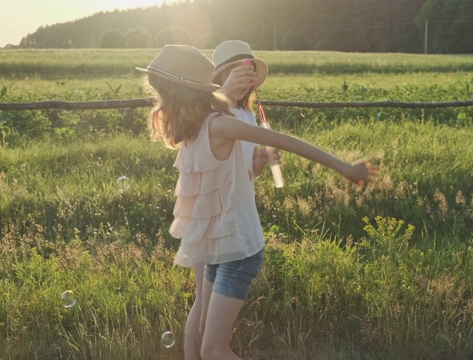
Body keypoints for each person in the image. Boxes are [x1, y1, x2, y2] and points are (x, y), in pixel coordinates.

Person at [137, 45, 379, 360]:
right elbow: (220, 177)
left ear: (183, 95)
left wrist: (345, 167)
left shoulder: (221, 123)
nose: (159, 104)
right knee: (203, 339)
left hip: (238, 248)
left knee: (213, 350)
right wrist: (255, 165)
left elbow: (285, 140)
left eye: (163, 95)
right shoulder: (193, 130)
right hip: (217, 243)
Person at [212, 39, 278, 185]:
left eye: (248, 74)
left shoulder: (248, 116)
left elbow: (251, 171)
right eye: (235, 74)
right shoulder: (211, 114)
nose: (242, 81)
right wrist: (224, 93)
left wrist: (260, 160)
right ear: (219, 77)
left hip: (243, 202)